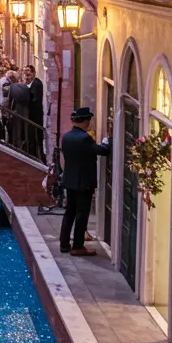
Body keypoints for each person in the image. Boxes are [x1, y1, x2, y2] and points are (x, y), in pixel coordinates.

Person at [59, 107, 110, 256]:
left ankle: (64, 244)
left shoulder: (66, 137)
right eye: (89, 120)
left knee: (70, 213)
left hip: (70, 181)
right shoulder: (84, 138)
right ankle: (78, 246)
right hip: (83, 183)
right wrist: (108, 141)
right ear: (86, 121)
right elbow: (102, 151)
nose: (89, 123)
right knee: (82, 214)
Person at [26, 65, 44, 159]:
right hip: (34, 115)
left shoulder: (36, 84)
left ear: (33, 73)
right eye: (25, 73)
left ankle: (37, 155)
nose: (27, 75)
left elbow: (35, 99)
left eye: (28, 73)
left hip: (35, 115)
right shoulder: (33, 83)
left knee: (36, 136)